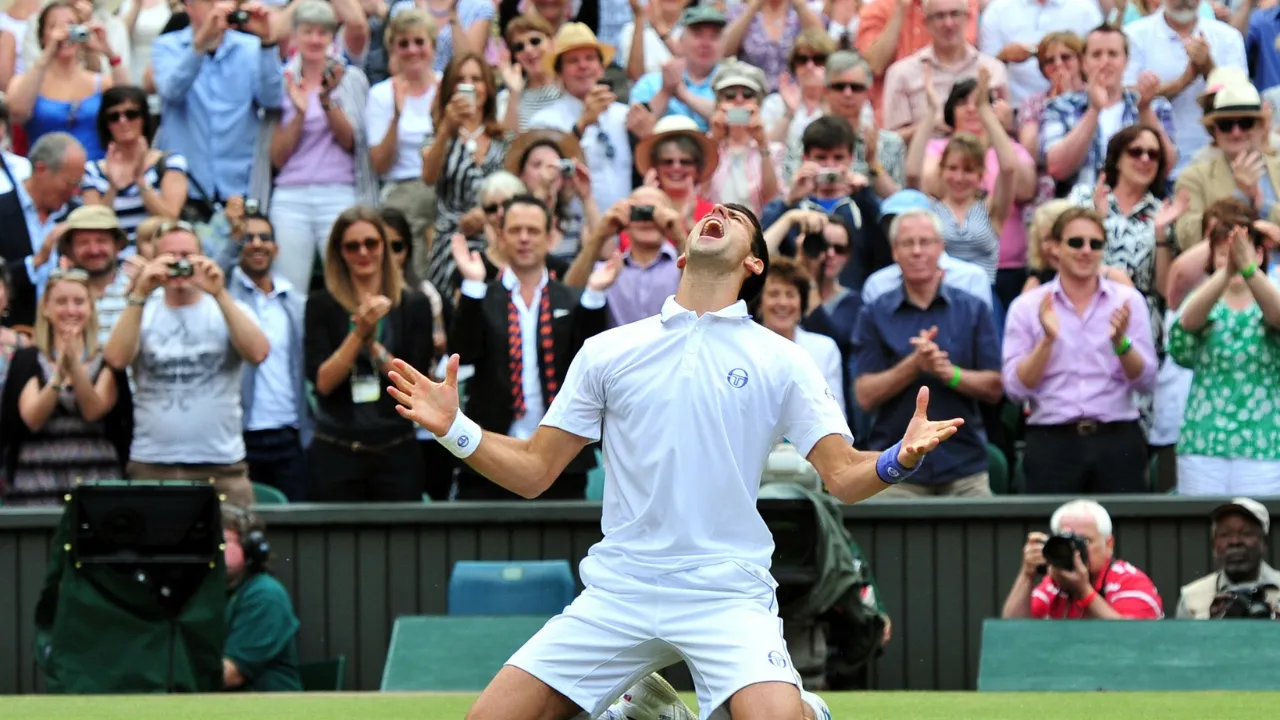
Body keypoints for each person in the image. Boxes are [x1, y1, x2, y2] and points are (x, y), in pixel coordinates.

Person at [387, 201, 963, 720]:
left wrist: (897, 459)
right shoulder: (607, 351)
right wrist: (454, 430)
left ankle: (804, 709)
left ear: (754, 265)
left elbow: (843, 476)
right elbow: (537, 470)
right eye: (715, 213)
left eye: (739, 217)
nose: (721, 214)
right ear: (685, 252)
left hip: (727, 591)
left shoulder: (783, 360)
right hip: (620, 590)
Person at [448, 195, 617, 501]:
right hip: (491, 450)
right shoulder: (481, 296)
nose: (524, 238)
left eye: (533, 230)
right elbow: (462, 352)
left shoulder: (572, 298)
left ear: (550, 237)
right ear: (500, 236)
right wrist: (472, 284)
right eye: (515, 230)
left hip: (559, 459)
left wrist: (594, 297)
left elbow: (593, 362)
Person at [103, 220, 270, 508]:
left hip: (221, 465)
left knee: (232, 552)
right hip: (152, 462)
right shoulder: (142, 310)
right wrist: (140, 293)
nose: (179, 265)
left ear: (203, 258)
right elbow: (116, 360)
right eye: (170, 257)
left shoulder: (229, 308)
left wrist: (219, 293)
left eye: (187, 256)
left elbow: (258, 353)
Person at [303, 206, 435, 501]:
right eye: (352, 246)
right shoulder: (320, 304)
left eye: (371, 243)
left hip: (396, 450)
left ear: (384, 248)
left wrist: (374, 347)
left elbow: (415, 386)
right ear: (339, 252)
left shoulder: (414, 305)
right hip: (336, 450)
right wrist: (358, 334)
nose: (363, 252)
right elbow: (323, 382)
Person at [260, 0, 377, 294]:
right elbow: (276, 157)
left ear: (331, 36)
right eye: (308, 31)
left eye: (322, 32)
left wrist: (326, 100)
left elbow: (354, 143)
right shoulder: (282, 80)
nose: (315, 39)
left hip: (339, 192)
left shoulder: (351, 79)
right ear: (296, 35)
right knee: (289, 288)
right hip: (291, 196)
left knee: (346, 285)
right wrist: (299, 114)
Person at [1168, 204, 1280, 496]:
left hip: (1264, 445)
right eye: (1222, 251)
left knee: (1261, 530)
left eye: (1244, 250)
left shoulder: (1272, 296)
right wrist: (1228, 269)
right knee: (1200, 532)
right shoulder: (1202, 299)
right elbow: (1186, 326)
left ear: (1259, 254)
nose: (1231, 257)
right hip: (1204, 444)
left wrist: (1249, 270)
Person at [1, 269, 122, 506]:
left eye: (78, 302)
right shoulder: (27, 359)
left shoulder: (107, 358)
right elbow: (32, 418)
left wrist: (74, 368)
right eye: (61, 302)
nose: (70, 310)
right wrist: (58, 376)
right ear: (46, 308)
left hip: (96, 477)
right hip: (37, 480)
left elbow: (93, 410)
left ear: (90, 307)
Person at [1001, 499, 1163, 619]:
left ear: (1109, 545)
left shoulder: (1130, 582)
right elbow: (1012, 631)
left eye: (1084, 541)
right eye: (1067, 542)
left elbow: (1134, 641)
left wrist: (1084, 591)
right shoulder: (1053, 585)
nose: (1076, 551)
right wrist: (1026, 574)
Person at [7, 1, 127, 160]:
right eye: (54, 26)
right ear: (42, 36)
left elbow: (129, 102)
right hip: (46, 173)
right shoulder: (23, 82)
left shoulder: (101, 82)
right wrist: (48, 53)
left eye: (72, 25)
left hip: (94, 174)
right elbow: (17, 113)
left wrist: (108, 52)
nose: (65, 32)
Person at [81, 84, 189, 238]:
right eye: (114, 116)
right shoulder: (91, 171)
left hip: (157, 252)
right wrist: (112, 187)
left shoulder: (170, 163)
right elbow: (93, 227)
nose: (123, 121)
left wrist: (141, 181)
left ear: (144, 118)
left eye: (131, 114)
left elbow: (170, 219)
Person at [221, 504, 302, 692]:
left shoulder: (265, 594)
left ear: (249, 549)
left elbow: (230, 674)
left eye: (222, 543)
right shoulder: (206, 594)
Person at [1177, 498, 1280, 618]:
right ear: (1214, 544)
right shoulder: (1192, 597)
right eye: (1225, 534)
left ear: (1264, 542)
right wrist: (1210, 625)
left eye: (1246, 533)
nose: (1235, 541)